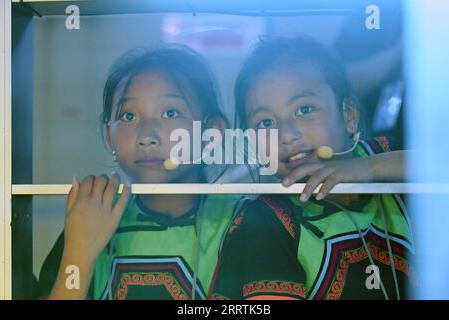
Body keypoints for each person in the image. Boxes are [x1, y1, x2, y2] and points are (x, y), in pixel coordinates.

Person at [210, 36, 416, 300]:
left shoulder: (388, 158)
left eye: (305, 109)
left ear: (349, 116)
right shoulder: (265, 220)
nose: (286, 135)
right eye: (265, 123)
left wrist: (368, 169)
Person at [38, 45, 240, 300]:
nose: (146, 136)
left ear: (212, 135)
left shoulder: (243, 221)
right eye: (129, 115)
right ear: (108, 137)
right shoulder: (92, 217)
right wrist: (78, 256)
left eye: (170, 113)